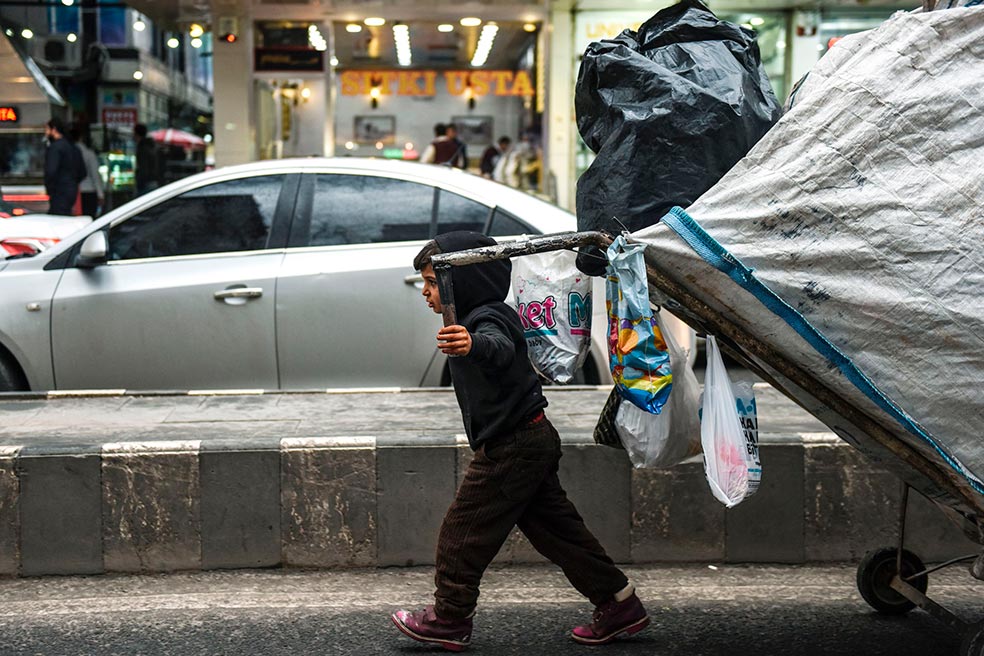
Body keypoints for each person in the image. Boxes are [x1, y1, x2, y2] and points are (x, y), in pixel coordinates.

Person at [391, 232, 649, 652]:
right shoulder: (478, 315)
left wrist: (472, 344)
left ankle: (449, 618)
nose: (425, 292)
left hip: (513, 445)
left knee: (463, 532)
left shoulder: (488, 318)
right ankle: (620, 604)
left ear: (463, 282)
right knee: (557, 533)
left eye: (433, 282)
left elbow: (499, 348)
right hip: (529, 438)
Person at [43, 117, 85, 216]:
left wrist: (50, 187)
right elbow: (83, 172)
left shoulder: (55, 148)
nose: (46, 132)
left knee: (57, 219)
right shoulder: (74, 147)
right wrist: (72, 182)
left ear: (54, 130)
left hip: (59, 191)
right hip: (71, 190)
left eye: (47, 129)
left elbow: (51, 171)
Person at [70, 128, 104, 217]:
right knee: (89, 218)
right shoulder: (89, 153)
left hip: (74, 191)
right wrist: (100, 194)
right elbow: (95, 175)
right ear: (81, 138)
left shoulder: (68, 153)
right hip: (89, 191)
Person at [134, 123, 161, 196]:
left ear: (136, 134)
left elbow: (143, 167)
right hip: (153, 181)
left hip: (145, 183)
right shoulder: (151, 146)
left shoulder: (142, 148)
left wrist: (140, 182)